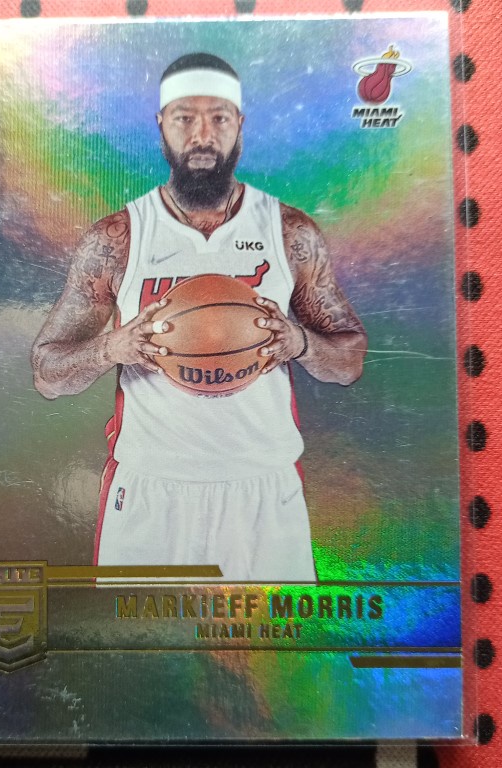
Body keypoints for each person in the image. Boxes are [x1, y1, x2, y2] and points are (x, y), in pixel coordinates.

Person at [31, 53, 367, 582]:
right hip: (150, 488)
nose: (203, 135)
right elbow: (48, 374)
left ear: (240, 126)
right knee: (140, 638)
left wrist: (300, 342)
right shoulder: (118, 239)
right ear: (161, 125)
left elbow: (349, 362)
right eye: (185, 117)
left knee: (272, 638)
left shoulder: (289, 233)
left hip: (263, 489)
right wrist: (111, 347)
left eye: (219, 118)